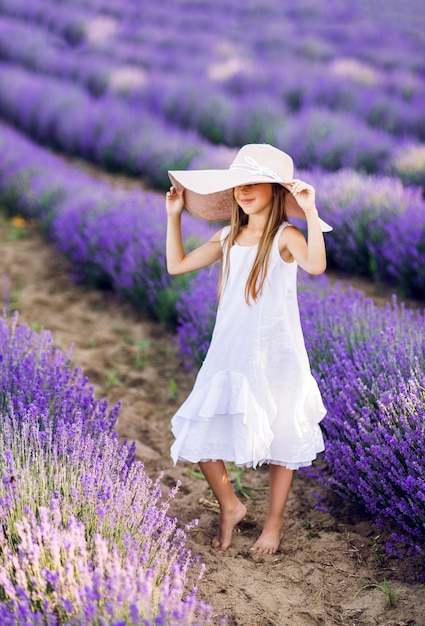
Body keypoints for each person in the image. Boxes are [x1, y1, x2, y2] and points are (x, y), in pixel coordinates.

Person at [165, 144, 332, 554]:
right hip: (230, 352)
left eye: (254, 183)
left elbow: (316, 266)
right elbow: (176, 265)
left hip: (276, 351)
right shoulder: (227, 237)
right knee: (199, 429)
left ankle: (272, 524)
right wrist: (173, 218)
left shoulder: (285, 236)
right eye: (239, 183)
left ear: (276, 190)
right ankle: (231, 505)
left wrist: (310, 212)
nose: (243, 190)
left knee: (282, 439)